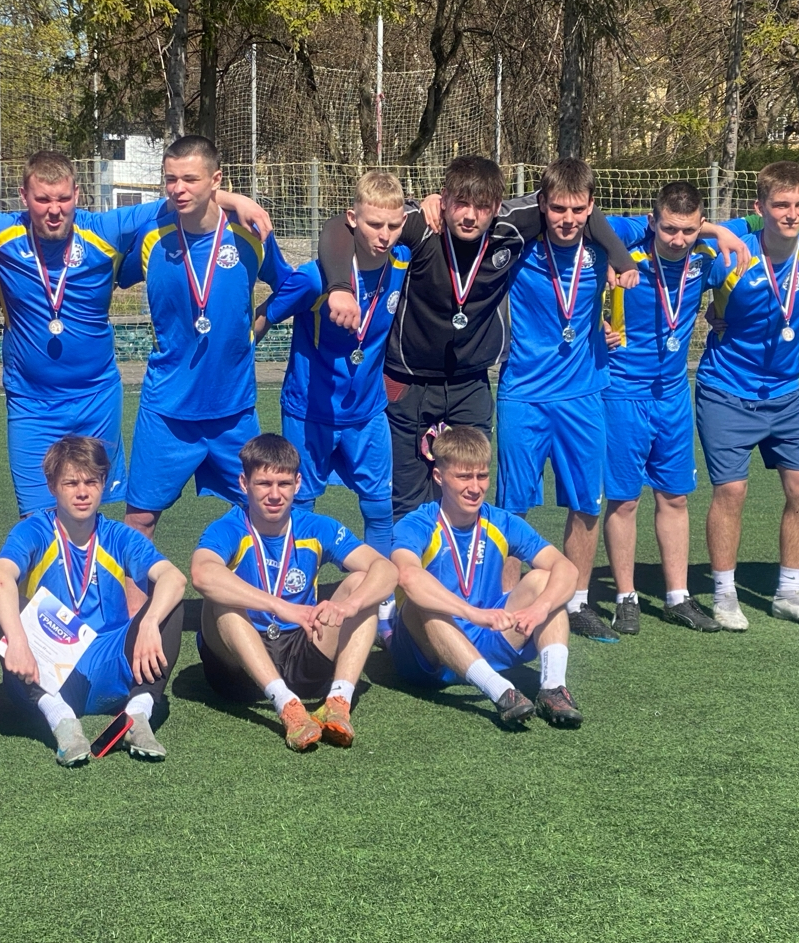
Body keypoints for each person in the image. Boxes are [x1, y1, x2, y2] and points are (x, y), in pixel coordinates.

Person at [0, 150, 275, 517]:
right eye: (42, 199)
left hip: (96, 399)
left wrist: (233, 198)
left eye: (62, 198)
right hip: (31, 406)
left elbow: (181, 198)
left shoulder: (105, 231)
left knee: (91, 513)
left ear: (77, 194)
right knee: (38, 518)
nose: (54, 209)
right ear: (25, 196)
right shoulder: (1, 232)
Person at [316, 155, 639, 520]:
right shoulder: (423, 224)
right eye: (461, 203)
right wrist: (339, 287)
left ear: (497, 206)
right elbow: (340, 225)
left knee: (467, 496)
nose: (471, 215)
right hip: (406, 383)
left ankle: (463, 561)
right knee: (405, 504)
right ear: (444, 198)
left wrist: (621, 258)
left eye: (483, 206)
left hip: (470, 385)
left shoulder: (511, 225)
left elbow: (576, 204)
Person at [117, 135, 291, 557]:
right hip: (166, 411)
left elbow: (290, 285)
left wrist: (260, 323)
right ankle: (135, 603)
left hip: (234, 411)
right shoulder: (151, 237)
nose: (178, 189)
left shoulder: (249, 236)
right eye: (170, 179)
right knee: (139, 521)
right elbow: (112, 276)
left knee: (264, 514)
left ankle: (255, 598)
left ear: (216, 180)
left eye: (190, 179)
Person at [190, 434, 398, 751]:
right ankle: (286, 705)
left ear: (298, 484)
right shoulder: (228, 527)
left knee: (362, 583)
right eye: (264, 484)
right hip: (239, 666)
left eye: (284, 484)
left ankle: (338, 701)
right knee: (220, 598)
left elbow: (386, 570)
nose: (275, 495)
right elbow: (201, 573)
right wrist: (280, 607)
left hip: (302, 651)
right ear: (244, 483)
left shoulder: (317, 527)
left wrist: (350, 606)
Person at [0, 436, 187, 764]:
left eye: (91, 482)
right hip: (49, 669)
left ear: (104, 484)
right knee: (10, 607)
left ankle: (137, 715)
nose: (82, 492)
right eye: (71, 483)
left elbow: (173, 578)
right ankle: (62, 721)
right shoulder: (35, 530)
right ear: (52, 486)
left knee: (169, 605)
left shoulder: (117, 535)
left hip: (111, 664)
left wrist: (150, 622)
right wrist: (18, 640)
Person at [495, 158, 629, 643]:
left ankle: (575, 601)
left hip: (583, 395)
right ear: (542, 205)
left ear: (592, 208)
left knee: (585, 503)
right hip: (523, 394)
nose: (567, 219)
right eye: (557, 209)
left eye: (577, 210)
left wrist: (731, 232)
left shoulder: (606, 245)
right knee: (512, 508)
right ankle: (505, 605)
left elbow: (673, 226)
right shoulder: (518, 245)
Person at [696, 161, 799, 630]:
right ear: (760, 208)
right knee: (731, 491)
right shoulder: (732, 255)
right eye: (780, 205)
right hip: (726, 389)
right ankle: (724, 594)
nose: (791, 214)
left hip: (785, 394)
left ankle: (788, 594)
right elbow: (677, 245)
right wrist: (706, 313)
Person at [254, 169, 410, 558]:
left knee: (380, 507)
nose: (384, 236)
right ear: (352, 219)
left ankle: (379, 590)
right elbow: (264, 316)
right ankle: (297, 583)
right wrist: (237, 359)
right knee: (299, 507)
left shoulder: (402, 264)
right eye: (374, 224)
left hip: (368, 413)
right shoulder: (313, 278)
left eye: (393, 226)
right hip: (310, 413)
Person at [600, 183, 732, 635]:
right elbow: (590, 224)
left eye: (689, 230)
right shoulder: (625, 250)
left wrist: (719, 235)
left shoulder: (706, 258)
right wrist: (597, 321)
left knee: (675, 496)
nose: (678, 239)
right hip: (622, 392)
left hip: (674, 394)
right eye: (670, 229)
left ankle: (678, 596)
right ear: (652, 221)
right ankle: (626, 597)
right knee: (624, 500)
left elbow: (768, 230)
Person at [389, 425, 583, 727]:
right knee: (421, 602)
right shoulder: (418, 523)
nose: (475, 487)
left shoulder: (501, 521)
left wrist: (540, 608)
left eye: (482, 476)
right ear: (439, 477)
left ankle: (553, 689)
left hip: (488, 636)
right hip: (428, 657)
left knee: (545, 581)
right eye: (464, 477)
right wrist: (473, 614)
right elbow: (408, 576)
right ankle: (501, 692)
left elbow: (566, 568)